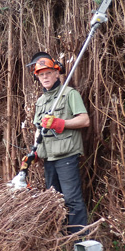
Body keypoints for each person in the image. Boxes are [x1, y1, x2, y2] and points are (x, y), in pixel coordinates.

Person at [30, 51, 90, 235]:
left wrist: (60, 123)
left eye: (48, 73)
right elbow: (38, 130)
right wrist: (34, 151)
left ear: (57, 73)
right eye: (41, 75)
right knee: (54, 201)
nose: (45, 77)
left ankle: (80, 242)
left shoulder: (69, 94)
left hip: (66, 156)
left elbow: (84, 120)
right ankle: (61, 242)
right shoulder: (41, 101)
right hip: (48, 158)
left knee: (72, 200)